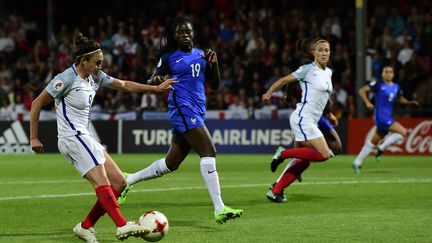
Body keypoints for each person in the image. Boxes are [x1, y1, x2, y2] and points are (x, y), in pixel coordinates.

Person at [30, 33, 176, 242]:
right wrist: (34, 137)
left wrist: (156, 89)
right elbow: (36, 104)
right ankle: (122, 225)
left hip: (85, 136)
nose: (100, 66)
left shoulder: (95, 76)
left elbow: (124, 85)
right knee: (102, 182)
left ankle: (85, 227)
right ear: (83, 61)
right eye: (97, 62)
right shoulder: (65, 79)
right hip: (72, 137)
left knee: (119, 184)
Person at [118, 17, 243, 224]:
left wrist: (215, 65)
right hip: (182, 108)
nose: (184, 35)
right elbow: (152, 78)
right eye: (179, 33)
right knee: (209, 151)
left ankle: (127, 180)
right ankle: (219, 208)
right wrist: (157, 79)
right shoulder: (168, 57)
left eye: (187, 32)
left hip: (198, 109)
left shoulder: (202, 54)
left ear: (193, 34)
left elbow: (215, 86)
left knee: (171, 163)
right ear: (174, 37)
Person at [262, 37, 335, 203]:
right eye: (320, 50)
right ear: (314, 53)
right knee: (323, 154)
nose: (324, 53)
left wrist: (329, 114)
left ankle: (276, 191)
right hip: (303, 118)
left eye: (327, 50)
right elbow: (283, 80)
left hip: (311, 120)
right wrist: (269, 93)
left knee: (303, 161)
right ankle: (283, 153)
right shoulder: (307, 69)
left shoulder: (328, 72)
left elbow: (322, 98)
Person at [351, 66, 419, 174]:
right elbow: (362, 90)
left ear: (393, 74)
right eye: (386, 72)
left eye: (390, 72)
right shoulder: (378, 84)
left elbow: (400, 98)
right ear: (382, 74)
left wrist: (409, 102)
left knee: (372, 142)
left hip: (388, 117)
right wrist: (368, 102)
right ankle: (382, 148)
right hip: (381, 117)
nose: (388, 74)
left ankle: (357, 162)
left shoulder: (396, 87)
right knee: (403, 132)